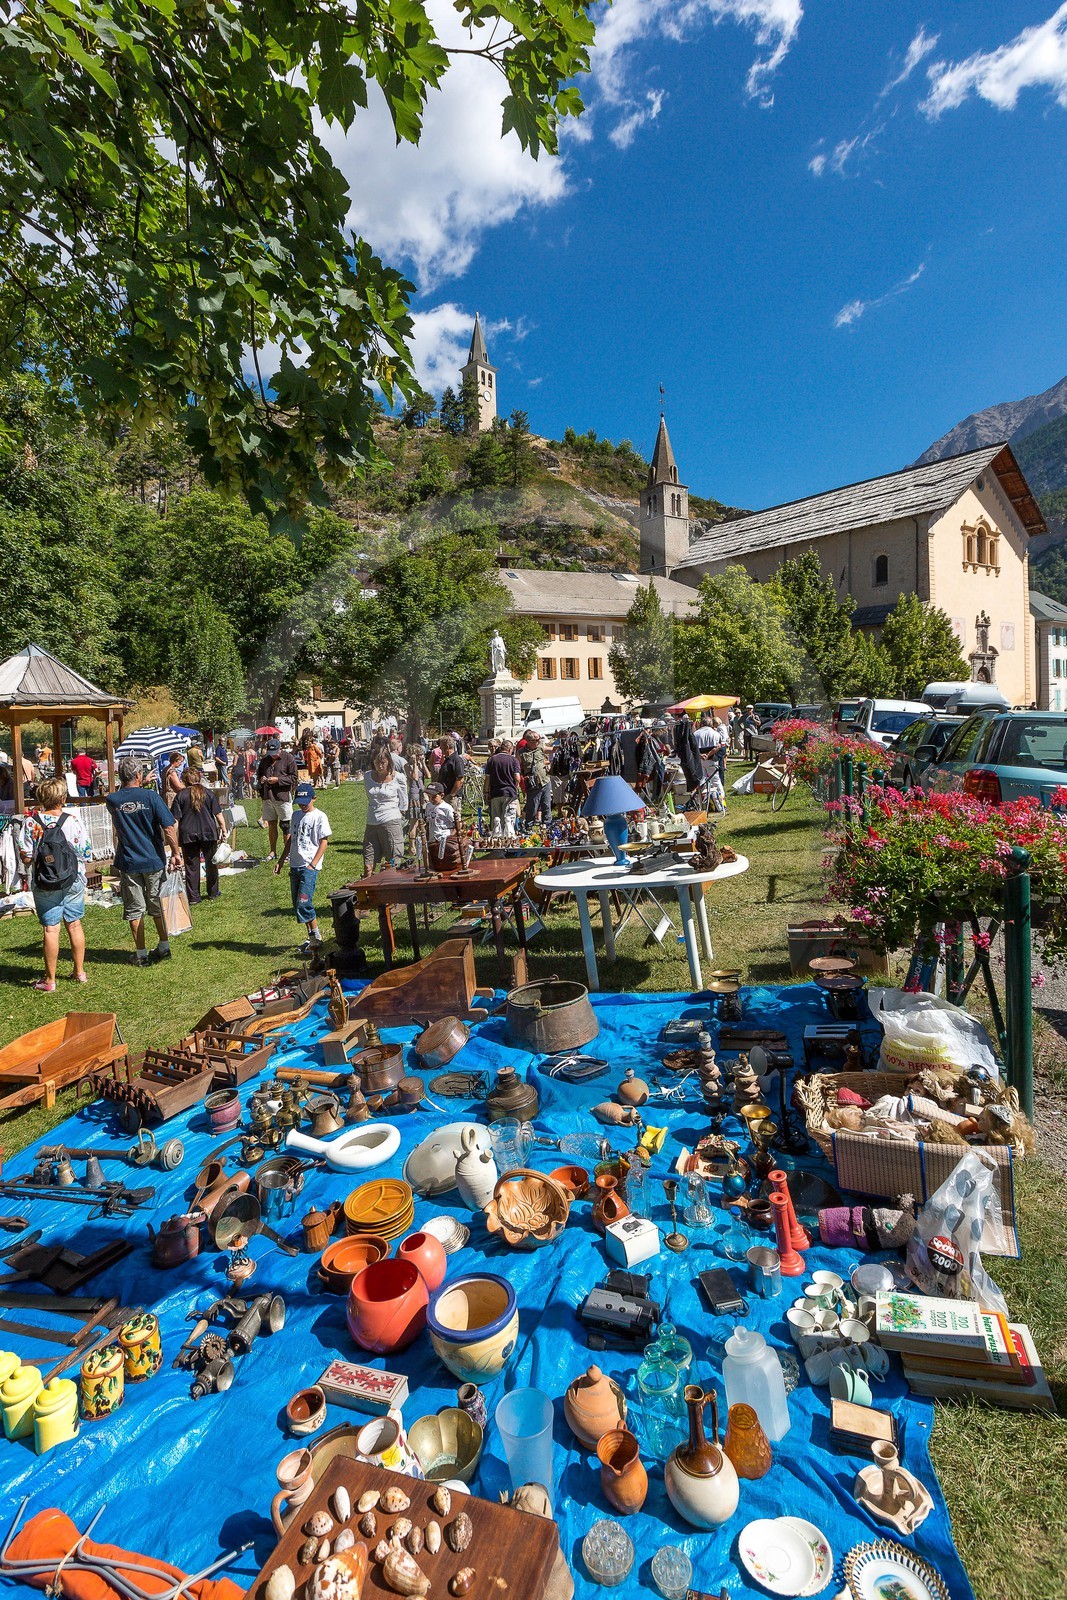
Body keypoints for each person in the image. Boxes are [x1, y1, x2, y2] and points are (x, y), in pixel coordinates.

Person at [105, 755, 182, 966]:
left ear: (121, 776)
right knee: (157, 905)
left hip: (129, 861)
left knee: (134, 909)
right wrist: (176, 853)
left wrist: (137, 783)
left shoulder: (112, 800)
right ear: (139, 775)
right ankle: (164, 946)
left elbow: (124, 796)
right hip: (153, 859)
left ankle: (141, 954)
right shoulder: (151, 797)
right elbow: (168, 827)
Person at [19, 776, 92, 991]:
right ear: (62, 798)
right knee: (75, 924)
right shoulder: (72, 820)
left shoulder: (31, 822)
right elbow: (86, 851)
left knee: (51, 929)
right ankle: (79, 972)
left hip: (45, 881)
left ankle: (50, 980)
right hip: (72, 879)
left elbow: (26, 856)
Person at [275, 782, 332, 955]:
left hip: (309, 866)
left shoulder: (319, 816)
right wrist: (282, 860)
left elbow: (324, 842)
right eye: (299, 803)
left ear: (314, 798)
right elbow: (291, 840)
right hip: (295, 865)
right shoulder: (296, 816)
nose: (302, 806)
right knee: (297, 905)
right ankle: (310, 937)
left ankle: (316, 938)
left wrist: (313, 864)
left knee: (304, 903)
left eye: (305, 802)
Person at [171, 761, 224, 905]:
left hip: (188, 834)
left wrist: (173, 838)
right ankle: (213, 892)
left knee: (191, 867)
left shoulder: (180, 796)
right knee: (211, 864)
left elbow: (175, 820)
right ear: (199, 778)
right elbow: (218, 814)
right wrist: (224, 829)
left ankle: (194, 897)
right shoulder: (208, 793)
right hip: (208, 832)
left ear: (184, 780)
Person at [363, 743, 408, 871]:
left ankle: (391, 882)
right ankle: (368, 882)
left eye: (383, 762)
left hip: (391, 821)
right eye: (377, 762)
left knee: (392, 862)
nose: (380, 766)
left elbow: (404, 801)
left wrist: (398, 816)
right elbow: (370, 797)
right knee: (368, 863)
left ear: (389, 761)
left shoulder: (398, 777)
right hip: (372, 822)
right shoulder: (367, 776)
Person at [257, 735, 299, 859]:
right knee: (271, 824)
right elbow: (259, 774)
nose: (273, 755)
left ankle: (288, 853)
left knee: (285, 825)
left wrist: (278, 780)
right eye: (271, 753)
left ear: (280, 749)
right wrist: (262, 779)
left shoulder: (289, 758)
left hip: (282, 796)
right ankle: (273, 852)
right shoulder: (265, 760)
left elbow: (294, 778)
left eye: (275, 753)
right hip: (268, 797)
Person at [484, 737, 521, 837]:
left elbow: (487, 778)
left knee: (496, 820)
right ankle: (508, 840)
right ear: (510, 749)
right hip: (509, 793)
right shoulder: (513, 760)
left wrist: (486, 792)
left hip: (495, 792)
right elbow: (517, 778)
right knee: (508, 820)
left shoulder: (492, 760)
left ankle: (497, 839)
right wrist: (515, 787)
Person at [520, 730, 551, 824]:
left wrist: (561, 745)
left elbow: (552, 749)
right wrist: (523, 777)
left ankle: (546, 825)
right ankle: (529, 825)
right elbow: (516, 767)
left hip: (545, 781)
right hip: (532, 784)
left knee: (546, 804)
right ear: (529, 741)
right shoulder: (521, 752)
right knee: (532, 805)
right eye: (537, 740)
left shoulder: (541, 747)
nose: (539, 741)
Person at [424, 782, 457, 867]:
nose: (431, 799)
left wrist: (450, 837)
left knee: (444, 860)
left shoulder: (447, 808)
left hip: (444, 838)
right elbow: (428, 822)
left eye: (434, 797)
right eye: (429, 796)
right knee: (434, 860)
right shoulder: (428, 806)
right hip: (432, 838)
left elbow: (457, 824)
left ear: (442, 795)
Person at [437, 734, 466, 820]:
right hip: (445, 795)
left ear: (447, 746)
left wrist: (452, 794)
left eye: (441, 746)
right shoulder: (447, 759)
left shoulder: (456, 760)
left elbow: (460, 779)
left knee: (454, 819)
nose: (440, 748)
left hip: (452, 797)